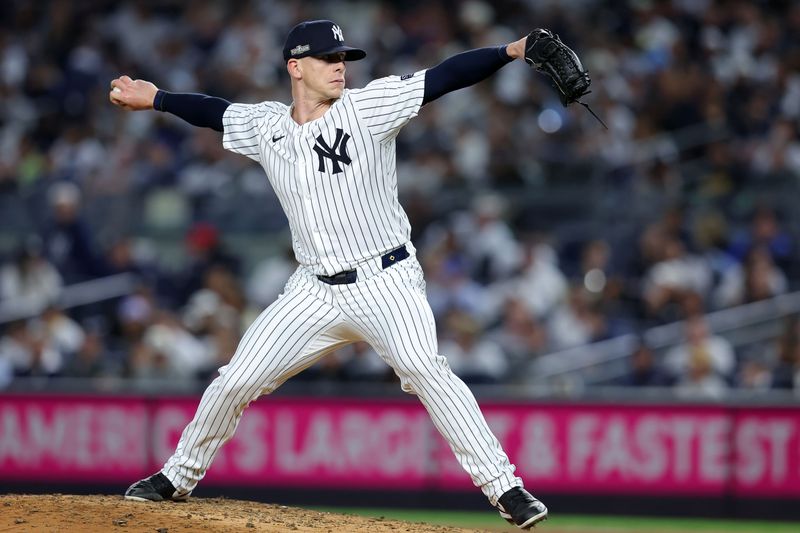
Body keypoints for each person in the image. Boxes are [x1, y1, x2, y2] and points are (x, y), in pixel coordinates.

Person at [112, 19, 548, 529]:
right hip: (313, 290)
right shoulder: (267, 125)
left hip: (386, 279)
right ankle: (176, 478)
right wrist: (159, 97)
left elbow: (444, 76)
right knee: (235, 380)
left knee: (426, 369)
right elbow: (214, 112)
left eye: (343, 59)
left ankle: (506, 488)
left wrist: (510, 50)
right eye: (327, 59)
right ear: (296, 67)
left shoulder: (367, 109)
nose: (340, 67)